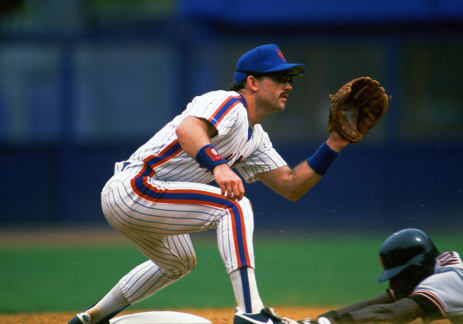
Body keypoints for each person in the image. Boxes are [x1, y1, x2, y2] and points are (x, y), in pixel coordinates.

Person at [68, 43, 352, 324]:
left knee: (180, 261)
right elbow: (187, 129)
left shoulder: (257, 137)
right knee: (234, 205)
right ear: (252, 82)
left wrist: (334, 143)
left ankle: (92, 317)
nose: (288, 85)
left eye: (289, 79)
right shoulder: (229, 102)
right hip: (136, 187)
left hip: (148, 199)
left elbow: (291, 185)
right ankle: (251, 312)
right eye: (279, 78)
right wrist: (218, 166)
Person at [300, 228, 463, 324]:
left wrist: (328, 323)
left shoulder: (445, 281)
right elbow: (378, 303)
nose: (395, 283)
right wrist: (319, 319)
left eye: (399, 276)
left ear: (415, 269)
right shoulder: (440, 267)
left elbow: (391, 312)